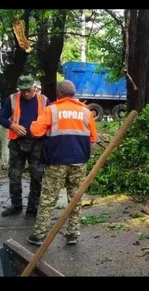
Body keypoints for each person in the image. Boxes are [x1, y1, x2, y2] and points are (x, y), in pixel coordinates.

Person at [27, 80, 97, 246]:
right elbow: (93, 137)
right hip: (79, 162)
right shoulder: (86, 112)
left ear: (59, 93)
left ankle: (39, 235)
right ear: (73, 94)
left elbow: (36, 132)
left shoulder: (51, 110)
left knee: (48, 199)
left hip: (56, 162)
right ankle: (73, 234)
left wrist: (32, 123)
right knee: (75, 198)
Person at [0, 75, 50, 217]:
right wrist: (12, 126)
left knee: (37, 176)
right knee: (14, 176)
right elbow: (2, 117)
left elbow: (52, 118)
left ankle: (33, 208)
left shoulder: (44, 100)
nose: (26, 94)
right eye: (23, 91)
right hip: (17, 143)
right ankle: (16, 206)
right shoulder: (12, 99)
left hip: (37, 143)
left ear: (34, 87)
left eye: (29, 90)